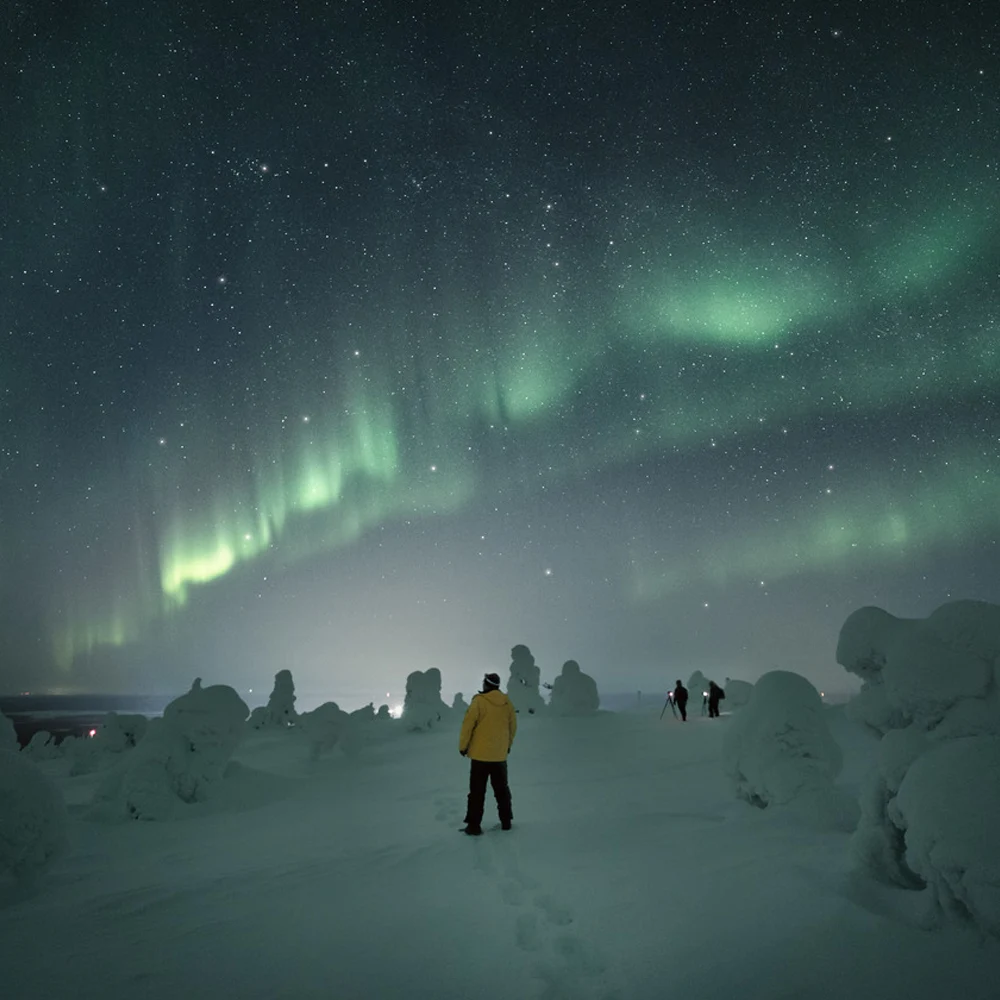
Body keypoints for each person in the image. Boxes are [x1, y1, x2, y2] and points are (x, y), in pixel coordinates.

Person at [458, 672, 517, 835]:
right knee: (502, 790)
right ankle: (506, 822)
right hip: (499, 757)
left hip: (479, 756)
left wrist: (463, 746)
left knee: (477, 792)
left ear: (486, 684)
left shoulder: (479, 702)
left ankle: (474, 826)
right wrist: (507, 746)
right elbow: (513, 727)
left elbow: (468, 725)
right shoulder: (507, 703)